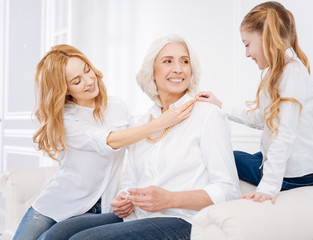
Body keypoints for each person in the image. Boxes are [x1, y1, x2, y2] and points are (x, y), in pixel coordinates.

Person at [39, 34, 241, 240]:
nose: (178, 69)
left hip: (184, 220)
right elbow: (130, 182)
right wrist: (123, 199)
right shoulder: (142, 122)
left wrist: (169, 199)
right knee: (57, 234)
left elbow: (228, 189)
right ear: (152, 71)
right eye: (168, 61)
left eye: (185, 61)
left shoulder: (207, 115)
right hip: (139, 217)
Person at [13, 44, 196, 240]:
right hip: (61, 202)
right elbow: (109, 141)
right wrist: (161, 122)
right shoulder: (66, 119)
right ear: (64, 90)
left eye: (87, 70)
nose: (89, 80)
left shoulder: (116, 105)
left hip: (104, 207)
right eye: (77, 81)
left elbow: (139, 140)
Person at [198, 1, 313, 204]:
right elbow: (263, 119)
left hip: (302, 174)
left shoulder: (291, 75)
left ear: (268, 38)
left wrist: (268, 188)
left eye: (247, 44)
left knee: (228, 156)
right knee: (239, 155)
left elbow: (283, 135)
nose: (246, 54)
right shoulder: (278, 72)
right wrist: (220, 105)